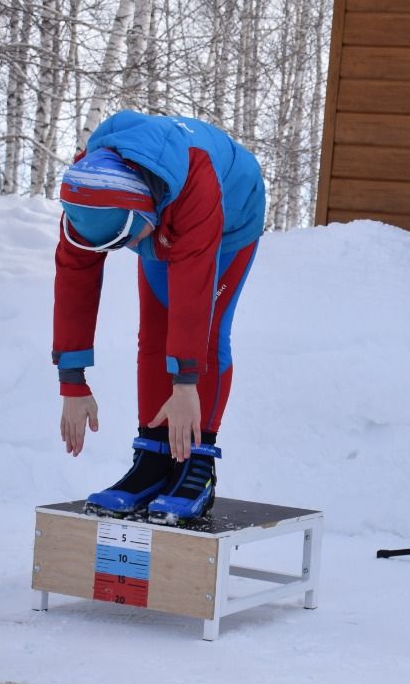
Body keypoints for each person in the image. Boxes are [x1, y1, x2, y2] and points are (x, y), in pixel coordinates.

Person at [53, 110, 265, 524]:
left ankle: (197, 462)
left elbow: (193, 295)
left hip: (227, 221)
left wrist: (186, 384)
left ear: (144, 216)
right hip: (163, 214)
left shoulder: (199, 179)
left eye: (124, 242)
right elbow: (74, 279)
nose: (120, 251)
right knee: (153, 334)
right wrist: (72, 380)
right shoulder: (89, 188)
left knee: (204, 333)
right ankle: (152, 457)